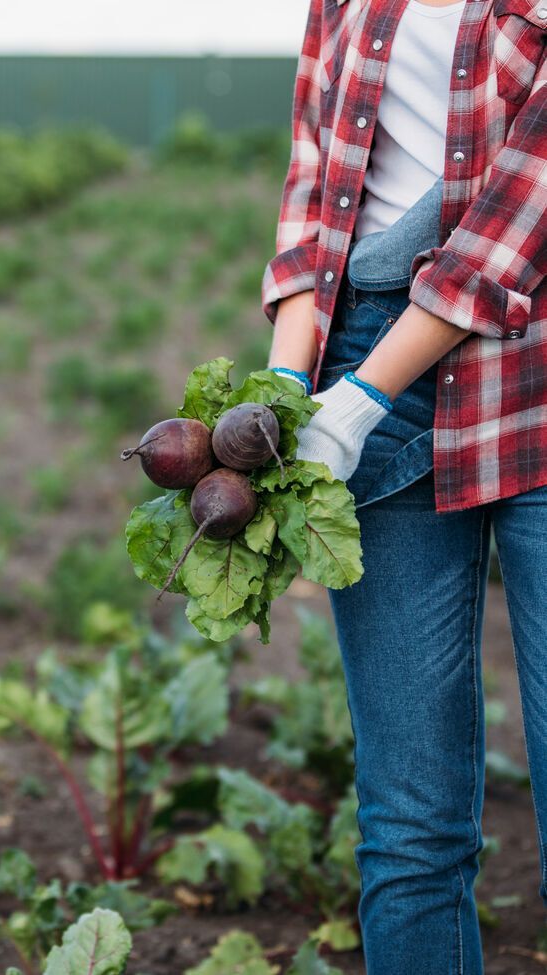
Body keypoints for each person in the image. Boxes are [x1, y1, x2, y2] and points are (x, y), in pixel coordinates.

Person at [263, 0, 547, 971]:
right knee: (409, 824)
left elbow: (522, 205)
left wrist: (357, 402)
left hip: (525, 367)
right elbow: (314, 182)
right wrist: (284, 388)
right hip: (361, 369)